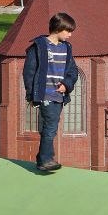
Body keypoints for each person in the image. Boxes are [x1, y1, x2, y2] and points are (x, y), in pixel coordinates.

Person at [23, 12, 78, 172]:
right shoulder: (39, 47)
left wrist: (66, 85)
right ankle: (46, 161)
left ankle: (43, 158)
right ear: (58, 29)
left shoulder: (66, 48)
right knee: (51, 126)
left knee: (51, 126)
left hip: (59, 95)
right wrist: (31, 95)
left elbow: (73, 71)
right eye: (68, 31)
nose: (70, 35)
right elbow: (29, 72)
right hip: (46, 94)